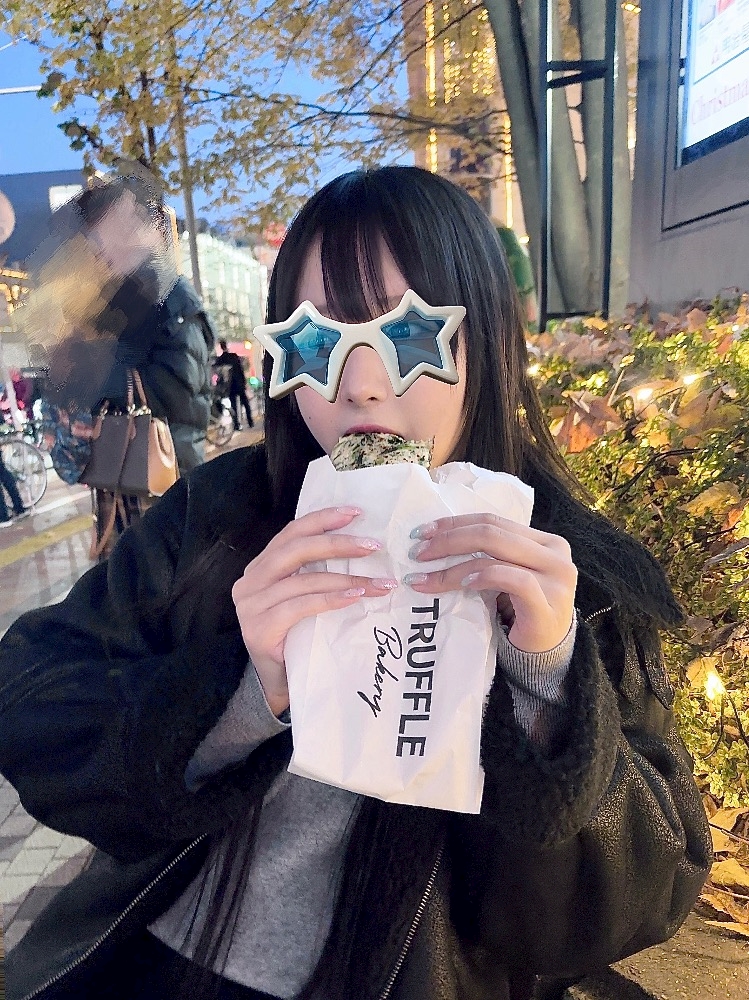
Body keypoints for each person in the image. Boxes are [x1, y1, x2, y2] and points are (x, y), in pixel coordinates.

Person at [0, 166, 711, 1000]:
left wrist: (547, 683)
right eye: (316, 342)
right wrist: (242, 689)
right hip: (155, 958)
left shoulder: (574, 575)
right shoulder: (217, 517)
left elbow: (632, 902)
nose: (360, 384)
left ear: (487, 341)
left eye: (407, 336)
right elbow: (31, 701)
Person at [32, 176, 216, 558]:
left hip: (166, 491)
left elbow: (179, 390)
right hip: (126, 491)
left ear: (136, 224)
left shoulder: (171, 296)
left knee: (163, 583)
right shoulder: (119, 303)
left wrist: (92, 376)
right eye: (92, 235)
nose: (96, 246)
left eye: (102, 230)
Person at [214, 339, 255, 430]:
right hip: (239, 383)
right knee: (245, 403)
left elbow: (217, 372)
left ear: (221, 347)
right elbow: (240, 369)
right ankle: (250, 422)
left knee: (234, 406)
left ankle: (236, 424)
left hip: (230, 386)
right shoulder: (234, 356)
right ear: (226, 346)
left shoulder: (221, 359)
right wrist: (244, 382)